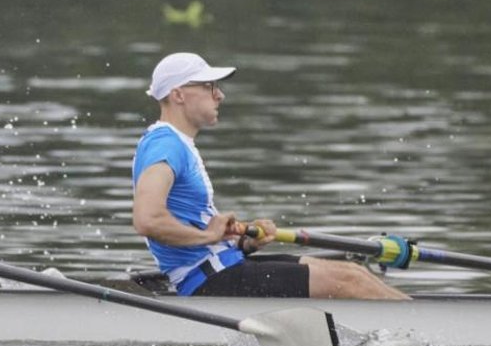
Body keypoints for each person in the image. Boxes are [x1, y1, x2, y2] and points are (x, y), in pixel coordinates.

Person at [131, 52, 404, 300]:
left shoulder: (176, 143)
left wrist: (244, 243)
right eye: (209, 87)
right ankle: (429, 338)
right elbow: (147, 219)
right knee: (350, 281)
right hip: (207, 281)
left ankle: (423, 333)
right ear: (178, 95)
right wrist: (209, 236)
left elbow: (190, 225)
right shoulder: (165, 145)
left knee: (354, 273)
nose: (220, 95)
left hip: (223, 266)